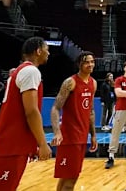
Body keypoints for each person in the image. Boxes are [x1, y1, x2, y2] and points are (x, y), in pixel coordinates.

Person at [0, 37, 52, 191]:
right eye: (46, 49)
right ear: (38, 51)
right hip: (11, 146)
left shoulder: (21, 71)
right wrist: (42, 143)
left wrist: (31, 144)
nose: (48, 53)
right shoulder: (31, 71)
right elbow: (31, 111)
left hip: (12, 144)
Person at [50, 52, 98, 191]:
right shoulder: (70, 82)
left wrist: (93, 135)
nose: (90, 65)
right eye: (86, 62)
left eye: (92, 61)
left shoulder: (93, 83)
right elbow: (55, 108)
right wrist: (57, 132)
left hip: (82, 137)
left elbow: (91, 111)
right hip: (70, 138)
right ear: (79, 64)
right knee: (70, 181)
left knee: (65, 178)